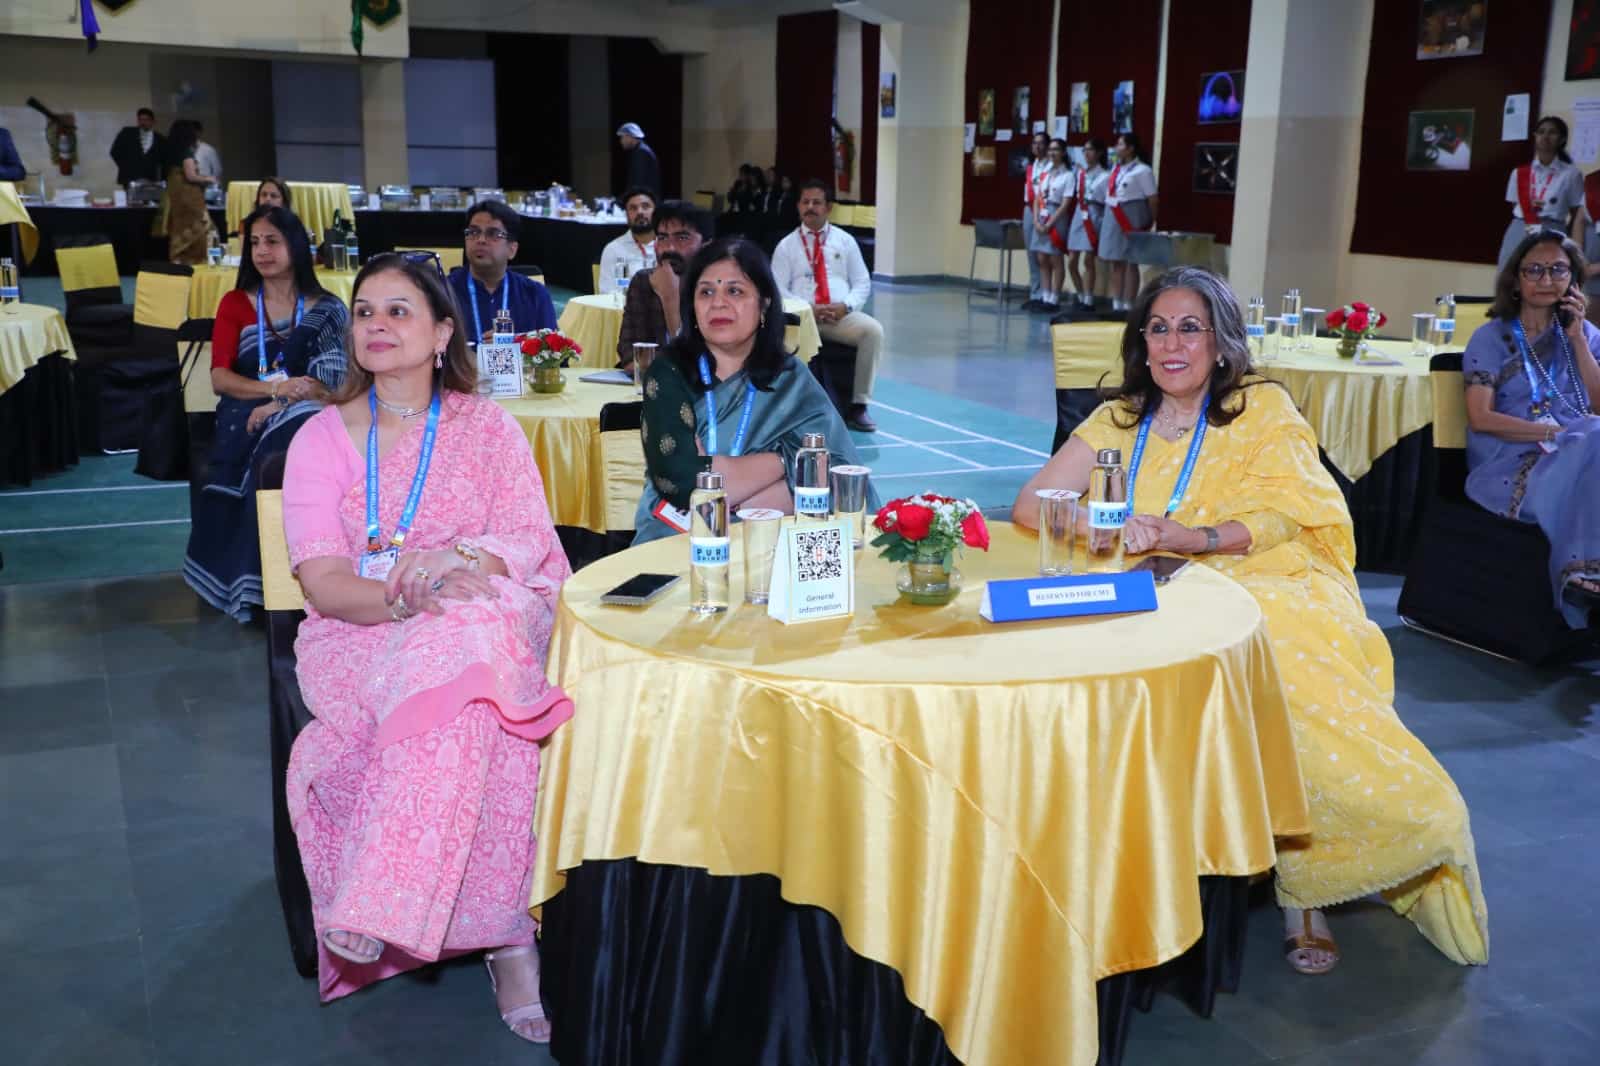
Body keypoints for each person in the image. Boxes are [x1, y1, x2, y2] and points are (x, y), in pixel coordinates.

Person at [1012, 266, 1489, 975]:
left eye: (1191, 328)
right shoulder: (1119, 417)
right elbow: (1032, 504)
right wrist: (1105, 527)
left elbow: (1293, 514)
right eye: (1158, 329)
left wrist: (1194, 537)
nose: (1173, 344)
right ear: (1142, 342)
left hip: (1261, 573)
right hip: (1148, 578)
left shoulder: (1261, 408)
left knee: (1277, 664)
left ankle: (1310, 883)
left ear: (1221, 342)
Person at [282, 252, 572, 1039]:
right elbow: (325, 583)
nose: (376, 325)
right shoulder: (320, 439)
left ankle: (386, 888)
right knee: (474, 680)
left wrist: (457, 559)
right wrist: (406, 596)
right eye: (364, 311)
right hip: (362, 631)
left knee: (470, 631)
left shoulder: (488, 427)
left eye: (398, 310)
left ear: (443, 333)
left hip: (489, 606)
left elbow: (529, 539)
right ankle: (509, 940)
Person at [634, 237, 876, 543]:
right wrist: (787, 461)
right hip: (675, 540)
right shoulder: (668, 373)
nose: (718, 303)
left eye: (734, 291)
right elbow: (681, 482)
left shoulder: (790, 380)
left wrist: (727, 491)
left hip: (778, 542)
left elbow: (835, 480)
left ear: (764, 303)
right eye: (706, 292)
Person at [182, 205, 348, 621]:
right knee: (283, 437)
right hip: (246, 408)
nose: (261, 251)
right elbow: (220, 378)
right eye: (254, 243)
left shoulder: (327, 307)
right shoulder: (236, 303)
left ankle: (326, 575)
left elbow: (339, 378)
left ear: (296, 245)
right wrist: (275, 391)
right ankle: (259, 584)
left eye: (272, 241)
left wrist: (287, 401)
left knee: (306, 426)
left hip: (313, 406)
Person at [1463, 228, 1600, 625]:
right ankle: (1582, 574)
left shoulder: (1587, 336)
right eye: (1534, 270)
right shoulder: (1491, 339)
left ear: (1574, 281)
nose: (1546, 280)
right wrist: (1559, 435)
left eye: (1558, 270)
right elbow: (1480, 417)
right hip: (1513, 460)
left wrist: (1577, 339)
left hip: (1584, 451)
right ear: (1515, 280)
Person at [772, 179, 883, 432]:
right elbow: (777, 289)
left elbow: (862, 282)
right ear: (798, 206)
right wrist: (807, 308)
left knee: (873, 331)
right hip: (802, 318)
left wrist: (846, 306)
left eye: (817, 202)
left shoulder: (846, 241)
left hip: (838, 317)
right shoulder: (786, 246)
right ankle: (792, 409)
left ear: (829, 207)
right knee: (780, 337)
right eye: (805, 202)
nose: (810, 207)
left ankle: (858, 406)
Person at [616, 199, 712, 369]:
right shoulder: (643, 281)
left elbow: (699, 362)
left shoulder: (716, 290)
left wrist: (670, 300)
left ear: (706, 245)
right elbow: (630, 353)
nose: (670, 248)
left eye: (682, 238)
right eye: (662, 238)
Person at [446, 199, 557, 343]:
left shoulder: (534, 294)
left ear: (512, 249)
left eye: (493, 234)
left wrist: (516, 344)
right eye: (473, 232)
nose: (481, 240)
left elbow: (553, 349)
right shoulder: (443, 291)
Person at [1498, 116, 1583, 271]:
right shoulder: (1519, 173)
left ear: (1562, 139)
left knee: (1546, 276)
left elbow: (1576, 213)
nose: (1545, 136)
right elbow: (1514, 205)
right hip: (1520, 227)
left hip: (1553, 229)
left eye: (1552, 132)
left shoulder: (1571, 174)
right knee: (1509, 274)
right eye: (1541, 132)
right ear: (1535, 137)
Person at [1097, 132, 1158, 311]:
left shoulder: (1143, 170)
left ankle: (1129, 305)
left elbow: (1153, 199)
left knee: (1131, 262)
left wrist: (1151, 220)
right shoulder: (1116, 169)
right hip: (1113, 215)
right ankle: (1116, 303)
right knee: (1116, 261)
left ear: (1131, 148)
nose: (1117, 148)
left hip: (1132, 215)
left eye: (1120, 144)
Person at [162, 119, 218, 264]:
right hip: (190, 197)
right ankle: (201, 261)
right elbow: (191, 176)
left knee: (179, 228)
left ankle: (179, 259)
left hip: (176, 198)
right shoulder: (186, 153)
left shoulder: (169, 151)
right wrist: (208, 179)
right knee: (205, 227)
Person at [1028, 139, 1074, 313]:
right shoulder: (1045, 173)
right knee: (1042, 258)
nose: (1052, 153)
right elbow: (1037, 197)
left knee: (1055, 259)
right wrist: (1036, 221)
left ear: (1063, 152)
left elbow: (1065, 203)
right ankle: (1045, 296)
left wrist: (1050, 223)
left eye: (1056, 150)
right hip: (1041, 213)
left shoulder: (1068, 175)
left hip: (1056, 217)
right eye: (1050, 150)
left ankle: (1054, 298)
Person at [1066, 137, 1109, 310]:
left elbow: (1107, 201)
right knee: (1071, 261)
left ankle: (1088, 299)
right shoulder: (1080, 173)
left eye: (1090, 150)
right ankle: (1080, 294)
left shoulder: (1105, 175)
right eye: (1084, 150)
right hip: (1079, 213)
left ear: (1099, 153)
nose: (1086, 153)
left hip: (1094, 214)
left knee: (1089, 260)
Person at [598, 186, 657, 294]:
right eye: (633, 208)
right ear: (626, 214)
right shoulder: (613, 249)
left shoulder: (668, 246)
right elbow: (607, 292)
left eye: (645, 206)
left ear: (656, 211)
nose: (640, 212)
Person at [1021, 132, 1050, 309]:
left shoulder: (1051, 167)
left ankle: (1047, 295)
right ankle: (1035, 293)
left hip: (1045, 210)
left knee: (1043, 254)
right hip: (1029, 209)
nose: (1037, 147)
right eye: (1034, 143)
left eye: (1041, 143)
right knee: (1031, 253)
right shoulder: (1031, 167)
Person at [110, 107, 165, 187]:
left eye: (146, 120)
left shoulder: (160, 139)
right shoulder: (127, 133)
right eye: (140, 120)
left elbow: (163, 160)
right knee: (130, 195)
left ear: (153, 121)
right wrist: (126, 167)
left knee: (151, 195)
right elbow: (115, 151)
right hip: (130, 177)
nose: (143, 122)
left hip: (151, 178)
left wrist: (160, 178)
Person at [617, 122, 661, 198]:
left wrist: (624, 199)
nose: (621, 141)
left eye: (622, 137)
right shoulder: (640, 150)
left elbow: (638, 182)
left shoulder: (641, 152)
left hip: (645, 199)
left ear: (630, 137)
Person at [192, 121, 222, 188]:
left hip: (207, 187)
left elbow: (217, 170)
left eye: (194, 131)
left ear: (199, 132)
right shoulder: (183, 150)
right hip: (189, 188)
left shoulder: (208, 149)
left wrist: (209, 181)